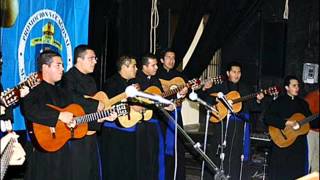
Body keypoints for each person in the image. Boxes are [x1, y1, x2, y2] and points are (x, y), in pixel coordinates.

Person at [201, 61, 264, 180]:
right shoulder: (220, 86)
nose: (237, 74)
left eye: (239, 72)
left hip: (239, 127)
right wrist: (205, 89)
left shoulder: (246, 88)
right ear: (228, 73)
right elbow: (206, 100)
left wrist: (259, 101)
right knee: (219, 153)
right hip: (223, 125)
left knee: (236, 155)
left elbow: (253, 107)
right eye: (234, 72)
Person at [61, 44, 116, 180]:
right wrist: (95, 104)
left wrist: (104, 116)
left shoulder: (91, 80)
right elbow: (71, 99)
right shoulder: (68, 78)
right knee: (78, 172)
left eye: (95, 58)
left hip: (90, 132)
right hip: (74, 133)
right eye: (91, 58)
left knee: (92, 171)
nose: (95, 61)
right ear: (79, 60)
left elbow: (95, 110)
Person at [21, 50, 75, 180]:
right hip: (41, 150)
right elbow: (29, 110)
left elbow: (73, 112)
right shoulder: (33, 88)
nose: (63, 68)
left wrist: (72, 122)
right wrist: (59, 115)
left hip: (61, 149)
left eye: (62, 65)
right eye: (58, 65)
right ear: (45, 67)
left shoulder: (62, 92)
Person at [264, 75, 319, 179]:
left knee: (296, 173)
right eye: (294, 85)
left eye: (298, 86)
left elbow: (312, 122)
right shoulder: (278, 102)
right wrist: (286, 123)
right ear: (286, 87)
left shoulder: (303, 104)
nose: (297, 88)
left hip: (298, 147)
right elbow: (267, 118)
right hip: (282, 144)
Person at [100, 55, 138, 180]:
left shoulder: (132, 83)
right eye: (133, 66)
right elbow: (109, 106)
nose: (136, 69)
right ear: (124, 67)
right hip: (114, 131)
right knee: (115, 166)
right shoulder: (111, 83)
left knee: (128, 166)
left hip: (129, 129)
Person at [157, 49, 188, 180]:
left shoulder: (179, 77)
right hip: (160, 116)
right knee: (161, 147)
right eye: (168, 57)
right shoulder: (156, 75)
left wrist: (185, 92)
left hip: (176, 115)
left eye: (173, 58)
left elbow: (185, 96)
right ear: (162, 60)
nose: (171, 60)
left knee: (178, 147)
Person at [133, 53, 166, 180]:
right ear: (144, 67)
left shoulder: (156, 80)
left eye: (156, 64)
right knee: (143, 156)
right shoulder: (135, 79)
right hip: (140, 123)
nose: (157, 67)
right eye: (153, 65)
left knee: (155, 155)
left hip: (155, 123)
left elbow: (161, 98)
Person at [304, 88, 319, 173]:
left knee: (317, 163)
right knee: (308, 159)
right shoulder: (311, 97)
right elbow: (306, 116)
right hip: (311, 132)